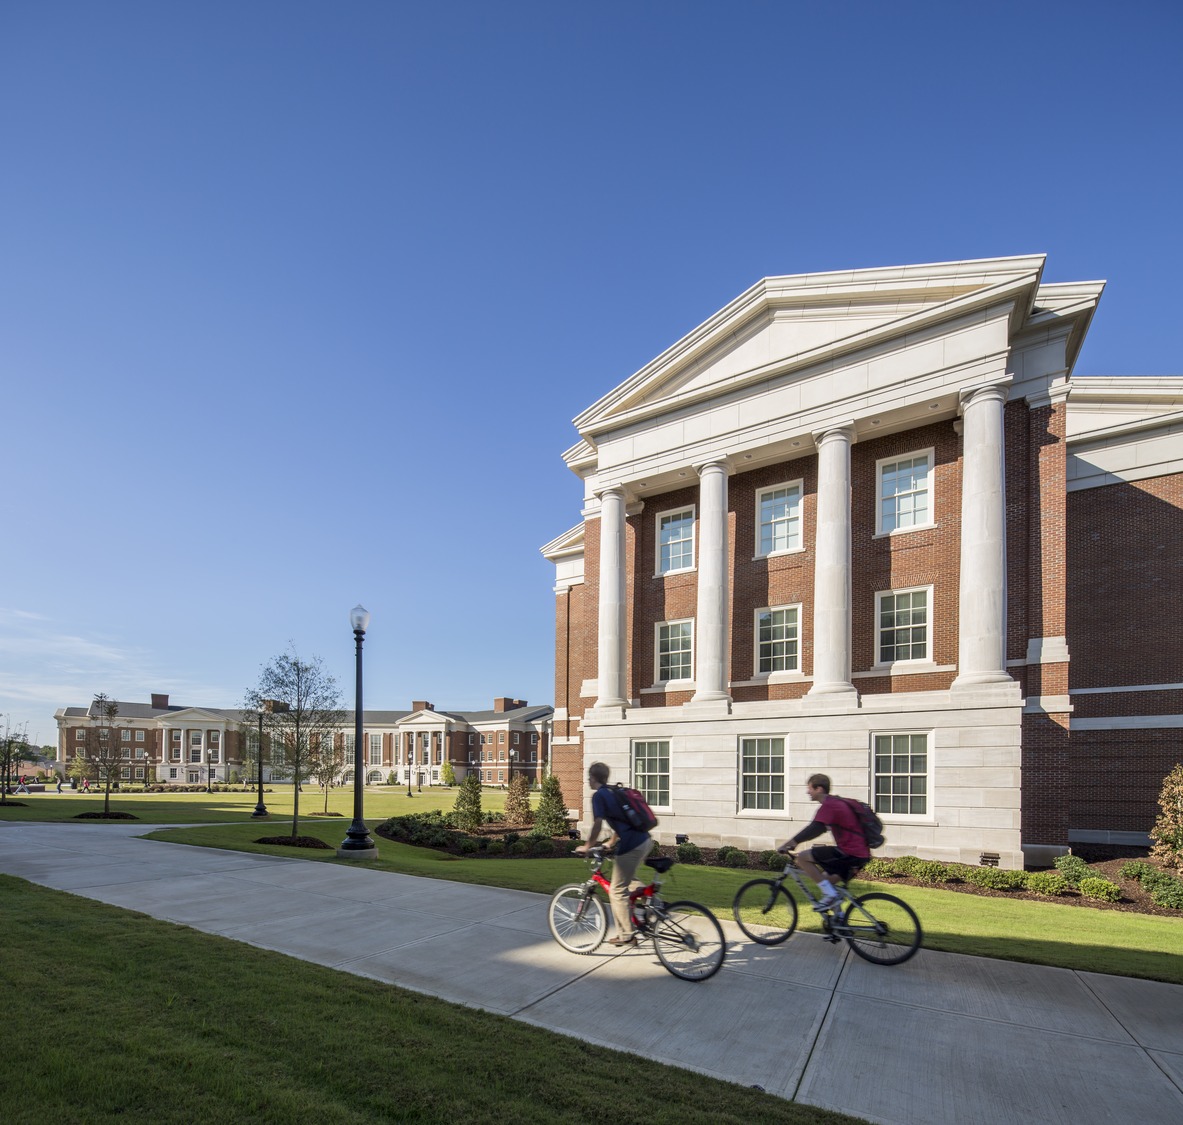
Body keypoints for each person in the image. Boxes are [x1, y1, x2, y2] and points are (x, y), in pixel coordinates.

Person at [573, 762, 655, 945]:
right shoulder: (614, 792)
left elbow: (597, 824)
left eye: (589, 777)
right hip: (645, 840)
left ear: (592, 778)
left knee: (617, 890)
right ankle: (652, 902)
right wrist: (611, 842)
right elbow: (623, 820)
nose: (588, 780)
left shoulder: (599, 796)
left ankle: (627, 935)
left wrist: (587, 846)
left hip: (632, 845)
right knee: (627, 879)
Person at [778, 773, 870, 911]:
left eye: (810, 788)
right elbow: (820, 829)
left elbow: (815, 828)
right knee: (826, 882)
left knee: (802, 858)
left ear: (819, 789)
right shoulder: (835, 802)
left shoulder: (830, 805)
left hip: (849, 852)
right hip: (859, 854)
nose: (807, 792)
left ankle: (830, 896)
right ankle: (839, 923)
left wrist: (791, 843)